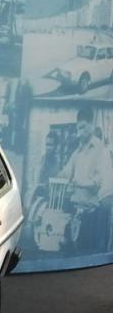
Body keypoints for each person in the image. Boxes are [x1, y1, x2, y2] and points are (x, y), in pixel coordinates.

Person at [58, 105, 113, 254]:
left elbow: (98, 183)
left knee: (88, 255)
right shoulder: (78, 151)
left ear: (92, 125)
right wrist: (58, 176)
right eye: (78, 128)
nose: (80, 132)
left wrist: (79, 183)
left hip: (92, 216)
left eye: (83, 127)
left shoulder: (102, 151)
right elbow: (66, 173)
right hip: (76, 213)